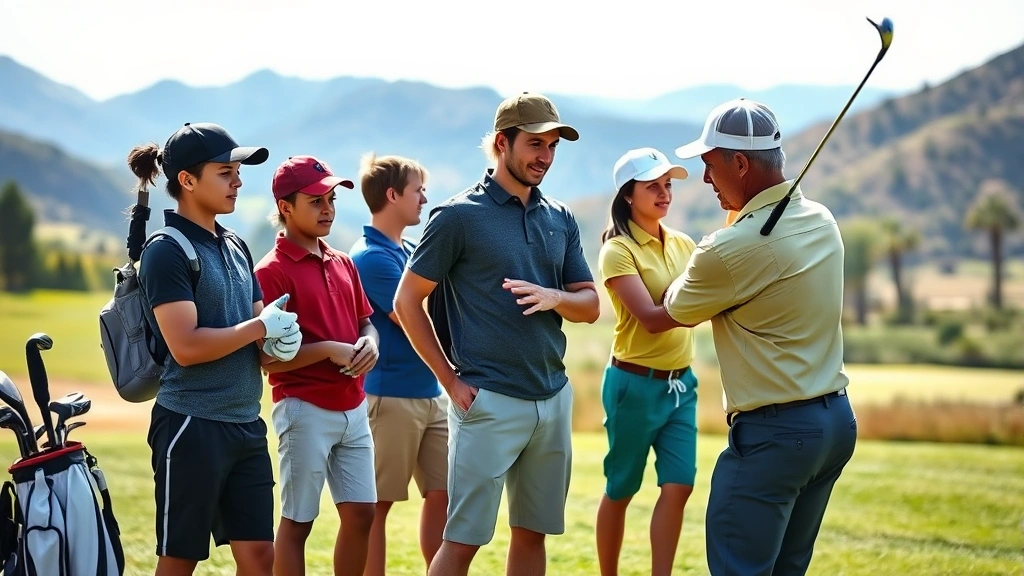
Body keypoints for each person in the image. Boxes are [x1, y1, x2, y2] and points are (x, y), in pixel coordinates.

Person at [393, 92, 600, 576]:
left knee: (533, 536)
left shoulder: (559, 217)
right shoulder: (458, 217)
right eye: (534, 144)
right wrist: (450, 382)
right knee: (462, 541)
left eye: (552, 146)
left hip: (553, 397)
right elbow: (406, 302)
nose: (544, 157)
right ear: (502, 143)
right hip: (486, 400)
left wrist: (556, 298)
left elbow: (590, 304)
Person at [664, 98, 857, 576]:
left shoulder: (726, 249)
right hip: (833, 424)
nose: (706, 180)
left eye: (709, 165)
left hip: (775, 437)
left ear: (741, 163)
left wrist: (723, 237)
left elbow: (676, 307)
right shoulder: (822, 220)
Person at [131, 122, 301, 576]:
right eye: (225, 173)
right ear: (187, 181)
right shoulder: (166, 250)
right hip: (190, 425)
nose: (238, 182)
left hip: (245, 424)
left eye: (237, 172)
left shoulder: (236, 245)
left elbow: (259, 338)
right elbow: (185, 346)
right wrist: (258, 327)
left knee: (260, 557)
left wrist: (279, 340)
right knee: (180, 559)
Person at [253, 155, 381, 576]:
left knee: (362, 514)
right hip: (303, 406)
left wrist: (370, 344)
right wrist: (328, 348)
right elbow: (268, 358)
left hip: (353, 406)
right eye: (315, 201)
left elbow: (366, 321)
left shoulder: (343, 261)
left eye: (331, 199)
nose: (327, 208)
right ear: (285, 208)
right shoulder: (270, 272)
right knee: (298, 522)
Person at [594, 147, 700, 576]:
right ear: (627, 196)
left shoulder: (685, 243)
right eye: (653, 185)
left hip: (681, 385)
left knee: (680, 485)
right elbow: (653, 320)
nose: (664, 193)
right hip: (632, 387)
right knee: (621, 490)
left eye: (668, 184)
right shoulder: (616, 251)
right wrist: (703, 301)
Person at [348, 153, 448, 576]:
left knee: (444, 494)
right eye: (417, 190)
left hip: (432, 394)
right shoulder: (371, 257)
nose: (424, 198)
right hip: (391, 397)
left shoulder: (405, 249)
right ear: (392, 195)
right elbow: (413, 312)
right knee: (377, 505)